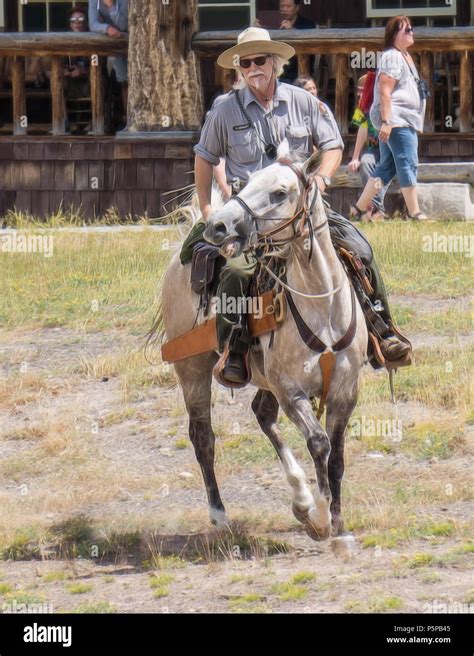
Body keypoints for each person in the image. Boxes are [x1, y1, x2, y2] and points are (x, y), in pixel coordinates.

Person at [180, 27, 411, 384]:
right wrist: (209, 209)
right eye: (246, 62)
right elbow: (203, 157)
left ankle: (382, 332)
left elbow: (333, 145)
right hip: (252, 217)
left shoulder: (303, 101)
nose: (253, 67)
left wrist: (321, 179)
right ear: (239, 69)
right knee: (237, 273)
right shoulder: (224, 110)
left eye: (260, 60)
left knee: (360, 249)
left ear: (274, 62)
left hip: (304, 207)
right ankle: (235, 351)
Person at [351, 15, 428, 221]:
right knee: (407, 161)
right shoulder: (393, 56)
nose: (411, 32)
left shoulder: (403, 56)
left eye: (411, 28)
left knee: (386, 168)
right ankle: (414, 212)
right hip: (397, 120)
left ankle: (358, 208)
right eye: (406, 30)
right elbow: (385, 89)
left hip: (399, 119)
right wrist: (387, 121)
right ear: (394, 35)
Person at [348, 73, 391, 221]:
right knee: (366, 161)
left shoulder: (386, 103)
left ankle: (371, 206)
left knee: (384, 168)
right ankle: (377, 208)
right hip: (374, 149)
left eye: (362, 90)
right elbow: (362, 129)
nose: (359, 93)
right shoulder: (363, 106)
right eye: (358, 90)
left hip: (391, 149)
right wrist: (355, 157)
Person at [88, 0, 128, 126]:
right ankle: (127, 120)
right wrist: (106, 28)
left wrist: (111, 7)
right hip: (113, 45)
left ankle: (133, 120)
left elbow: (123, 25)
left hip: (130, 42)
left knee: (133, 83)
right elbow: (93, 24)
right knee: (124, 81)